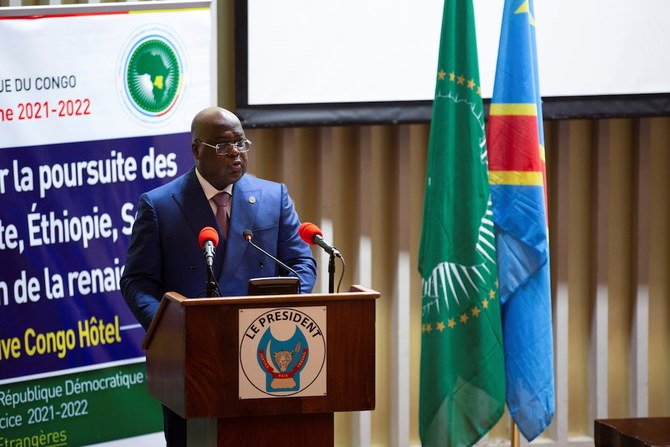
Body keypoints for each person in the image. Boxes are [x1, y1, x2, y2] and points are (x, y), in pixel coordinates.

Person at [120, 106, 317, 446]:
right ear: (197, 149)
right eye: (224, 146)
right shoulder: (160, 205)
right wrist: (172, 332)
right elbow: (137, 281)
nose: (236, 153)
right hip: (194, 364)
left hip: (265, 357)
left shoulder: (274, 197)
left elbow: (301, 264)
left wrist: (285, 318)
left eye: (241, 143)